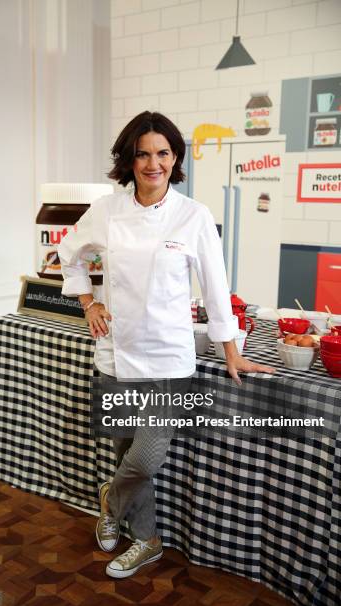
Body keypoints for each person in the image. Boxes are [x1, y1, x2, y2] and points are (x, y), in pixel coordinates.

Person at [58, 111, 275, 579]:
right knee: (124, 453)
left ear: (175, 158)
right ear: (129, 159)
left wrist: (231, 350)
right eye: (143, 154)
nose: (152, 163)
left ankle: (109, 500)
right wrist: (87, 302)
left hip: (170, 358)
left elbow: (217, 289)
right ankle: (150, 541)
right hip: (117, 352)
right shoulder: (107, 211)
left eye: (163, 153)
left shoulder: (193, 215)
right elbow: (68, 254)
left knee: (147, 455)